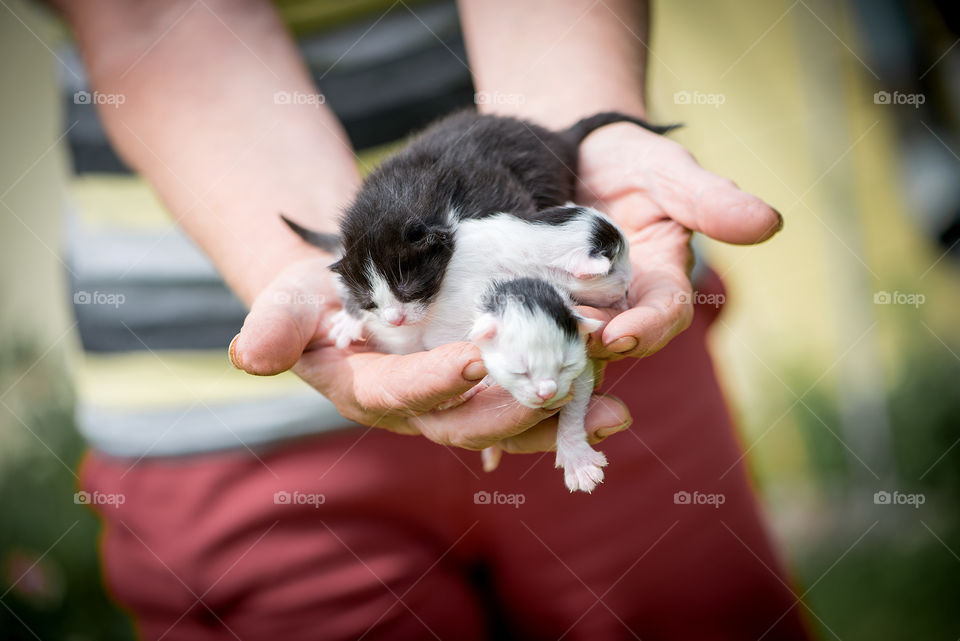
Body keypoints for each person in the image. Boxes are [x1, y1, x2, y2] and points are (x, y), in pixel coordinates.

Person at [53, 0, 810, 638]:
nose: (404, 315)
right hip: (224, 441)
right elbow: (149, 13)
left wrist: (575, 175)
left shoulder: (491, 226)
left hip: (605, 354)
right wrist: (341, 302)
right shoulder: (384, 264)